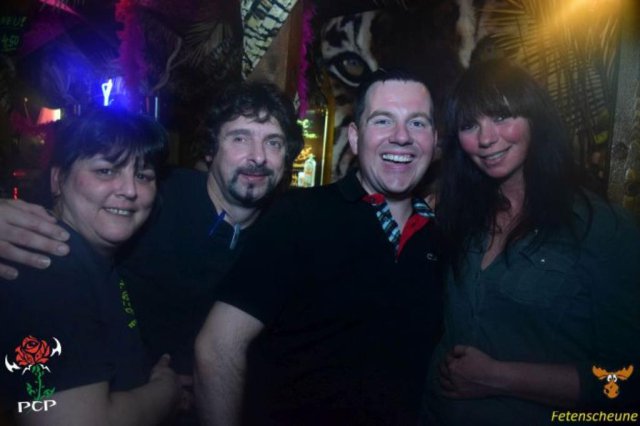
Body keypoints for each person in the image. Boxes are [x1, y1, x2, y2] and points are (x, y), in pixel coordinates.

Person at [0, 82, 303, 375]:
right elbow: (65, 212)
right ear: (211, 150)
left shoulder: (288, 230)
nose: (258, 156)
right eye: (240, 138)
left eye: (273, 143)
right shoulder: (155, 196)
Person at [194, 68, 443, 425]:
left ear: (434, 140)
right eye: (383, 121)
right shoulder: (299, 216)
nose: (401, 137)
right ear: (355, 137)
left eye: (417, 123)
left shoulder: (442, 239)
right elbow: (218, 347)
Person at [423, 59, 640, 425]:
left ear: (535, 120)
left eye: (501, 116)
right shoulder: (458, 216)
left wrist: (499, 377)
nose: (486, 138)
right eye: (469, 124)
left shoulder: (602, 229)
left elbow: (628, 382)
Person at [0, 108, 181, 424]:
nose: (129, 190)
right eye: (106, 170)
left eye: (143, 176)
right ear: (58, 179)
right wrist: (165, 394)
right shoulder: (49, 267)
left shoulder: (98, 257)